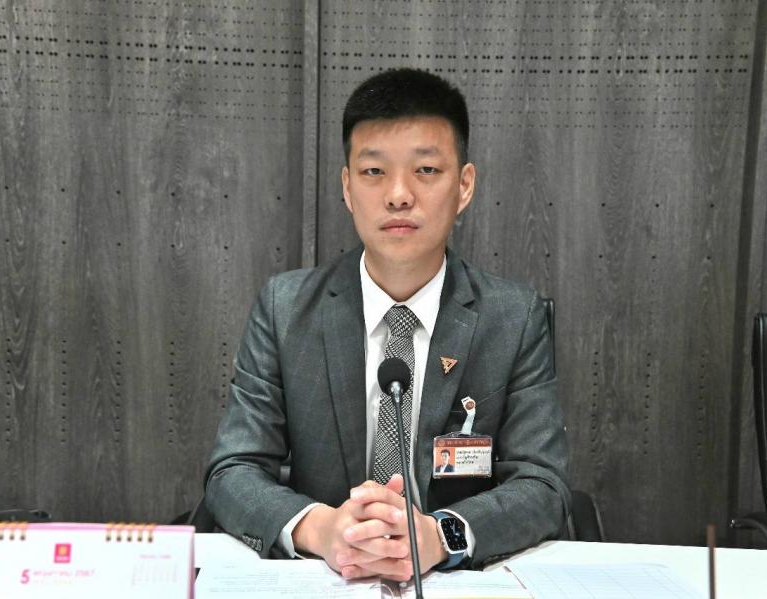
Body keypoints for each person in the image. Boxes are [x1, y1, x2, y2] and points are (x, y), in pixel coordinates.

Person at [205, 67, 570, 582]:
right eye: (374, 171)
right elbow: (233, 470)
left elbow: (542, 483)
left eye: (426, 170)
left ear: (464, 185)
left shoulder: (513, 318)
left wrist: (440, 535)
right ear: (347, 187)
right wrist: (322, 529)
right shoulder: (285, 308)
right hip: (325, 579)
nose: (399, 195)